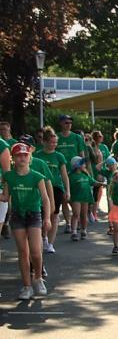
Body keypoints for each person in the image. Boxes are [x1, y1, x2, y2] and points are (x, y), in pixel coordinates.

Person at [2, 143, 52, 299]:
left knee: (36, 252)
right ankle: (27, 286)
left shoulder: (37, 176)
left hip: (34, 215)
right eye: (19, 155)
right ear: (13, 158)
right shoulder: (8, 177)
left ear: (29, 157)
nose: (22, 158)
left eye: (25, 155)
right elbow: (5, 197)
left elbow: (45, 199)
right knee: (23, 252)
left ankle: (38, 277)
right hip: (17, 215)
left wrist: (47, 218)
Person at [35, 128, 71, 243]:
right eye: (51, 142)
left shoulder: (59, 156)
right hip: (41, 187)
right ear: (44, 142)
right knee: (42, 214)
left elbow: (64, 175)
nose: (54, 145)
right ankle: (43, 236)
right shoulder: (37, 155)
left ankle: (50, 243)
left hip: (56, 187)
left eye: (56, 142)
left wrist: (67, 190)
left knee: (54, 214)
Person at [67, 155, 100, 240]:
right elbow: (67, 186)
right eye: (82, 164)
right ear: (77, 165)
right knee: (76, 214)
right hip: (76, 197)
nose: (85, 165)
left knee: (84, 214)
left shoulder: (85, 174)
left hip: (85, 197)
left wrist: (102, 184)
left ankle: (83, 230)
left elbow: (92, 182)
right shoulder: (71, 176)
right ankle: (74, 232)